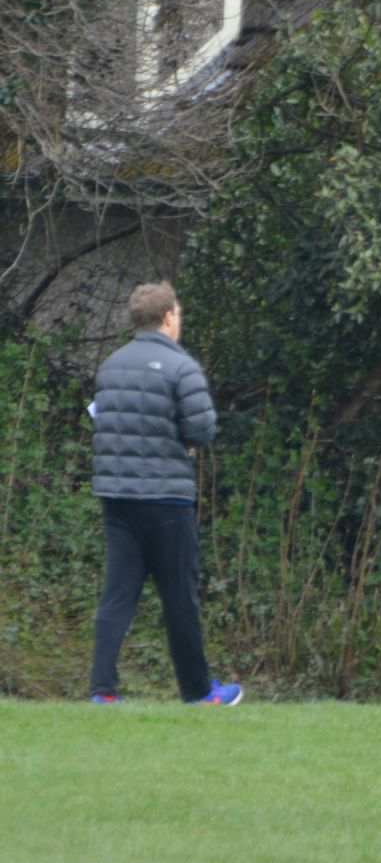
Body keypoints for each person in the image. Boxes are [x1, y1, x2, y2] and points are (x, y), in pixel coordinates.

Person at [89, 281, 242, 706]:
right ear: (169, 317)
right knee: (179, 597)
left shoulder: (111, 365)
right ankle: (198, 692)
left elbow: (105, 425)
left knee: (117, 594)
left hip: (116, 496)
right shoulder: (181, 367)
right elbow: (201, 429)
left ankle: (102, 691)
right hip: (166, 498)